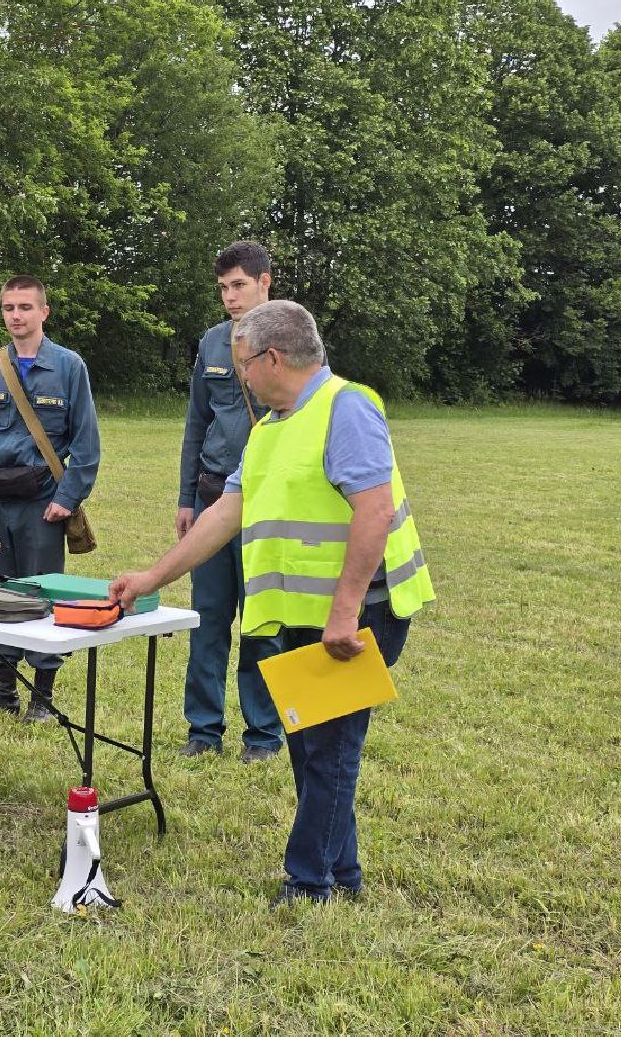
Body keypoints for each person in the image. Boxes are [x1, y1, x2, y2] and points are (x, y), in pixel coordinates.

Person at [111, 300, 434, 907]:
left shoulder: (347, 408)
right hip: (304, 615)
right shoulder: (270, 427)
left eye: (243, 365)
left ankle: (309, 883)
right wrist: (152, 577)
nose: (240, 377)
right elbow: (226, 513)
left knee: (330, 750)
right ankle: (342, 874)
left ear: (273, 358)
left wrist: (343, 614)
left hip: (360, 613)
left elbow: (374, 510)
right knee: (311, 747)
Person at [0, 275, 100, 722]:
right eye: (8, 308)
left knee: (40, 593)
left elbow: (87, 443)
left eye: (25, 307)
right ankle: (3, 691)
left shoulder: (69, 367)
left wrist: (68, 497)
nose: (16, 316)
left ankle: (42, 698)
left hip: (43, 503)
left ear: (44, 312)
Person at [174, 241, 284, 763]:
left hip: (268, 502)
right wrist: (185, 499)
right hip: (213, 495)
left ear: (265, 282)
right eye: (223, 288)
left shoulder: (293, 338)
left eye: (239, 285)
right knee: (208, 618)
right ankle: (203, 730)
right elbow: (197, 422)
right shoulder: (212, 343)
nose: (230, 297)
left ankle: (262, 735)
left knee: (261, 622)